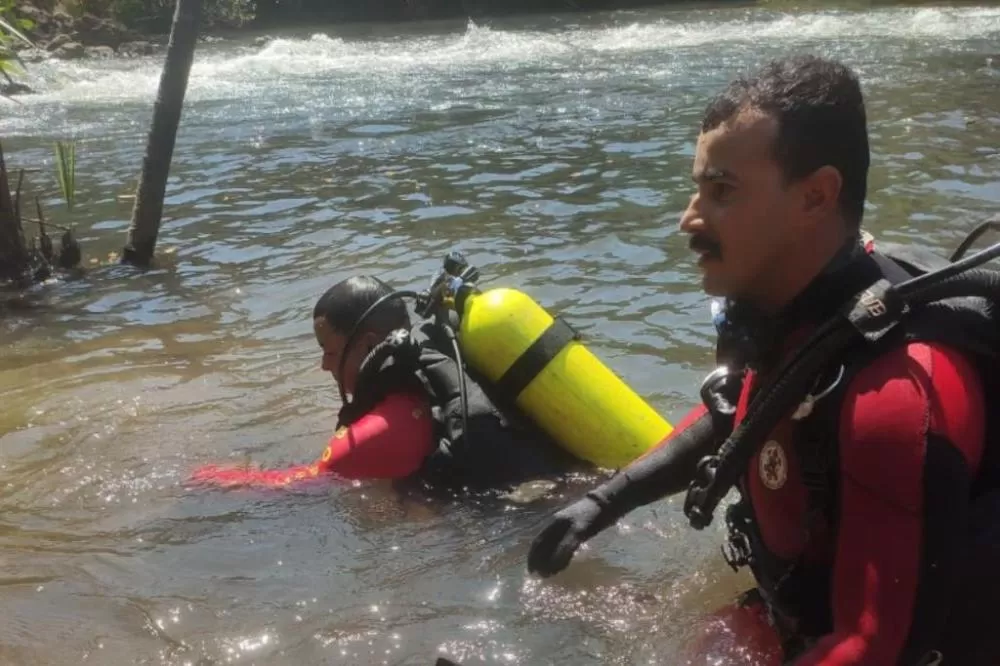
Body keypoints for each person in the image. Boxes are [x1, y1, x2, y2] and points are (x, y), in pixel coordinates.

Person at [526, 54, 1000, 665]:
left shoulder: (899, 398)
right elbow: (747, 411)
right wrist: (606, 501)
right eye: (697, 188)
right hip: (798, 610)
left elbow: (870, 647)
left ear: (816, 196)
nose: (688, 219)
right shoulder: (799, 313)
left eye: (721, 191)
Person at [191, 275, 583, 493]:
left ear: (370, 345)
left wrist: (209, 479)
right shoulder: (444, 368)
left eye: (329, 351)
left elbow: (298, 487)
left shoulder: (371, 438)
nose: (324, 366)